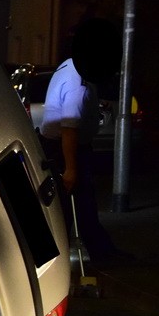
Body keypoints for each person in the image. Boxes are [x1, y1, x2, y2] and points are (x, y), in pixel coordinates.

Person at [39, 17, 123, 265]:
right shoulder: (80, 86)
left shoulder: (70, 65)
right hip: (65, 149)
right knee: (78, 205)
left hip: (55, 146)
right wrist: (71, 169)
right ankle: (93, 255)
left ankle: (96, 252)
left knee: (76, 206)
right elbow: (69, 129)